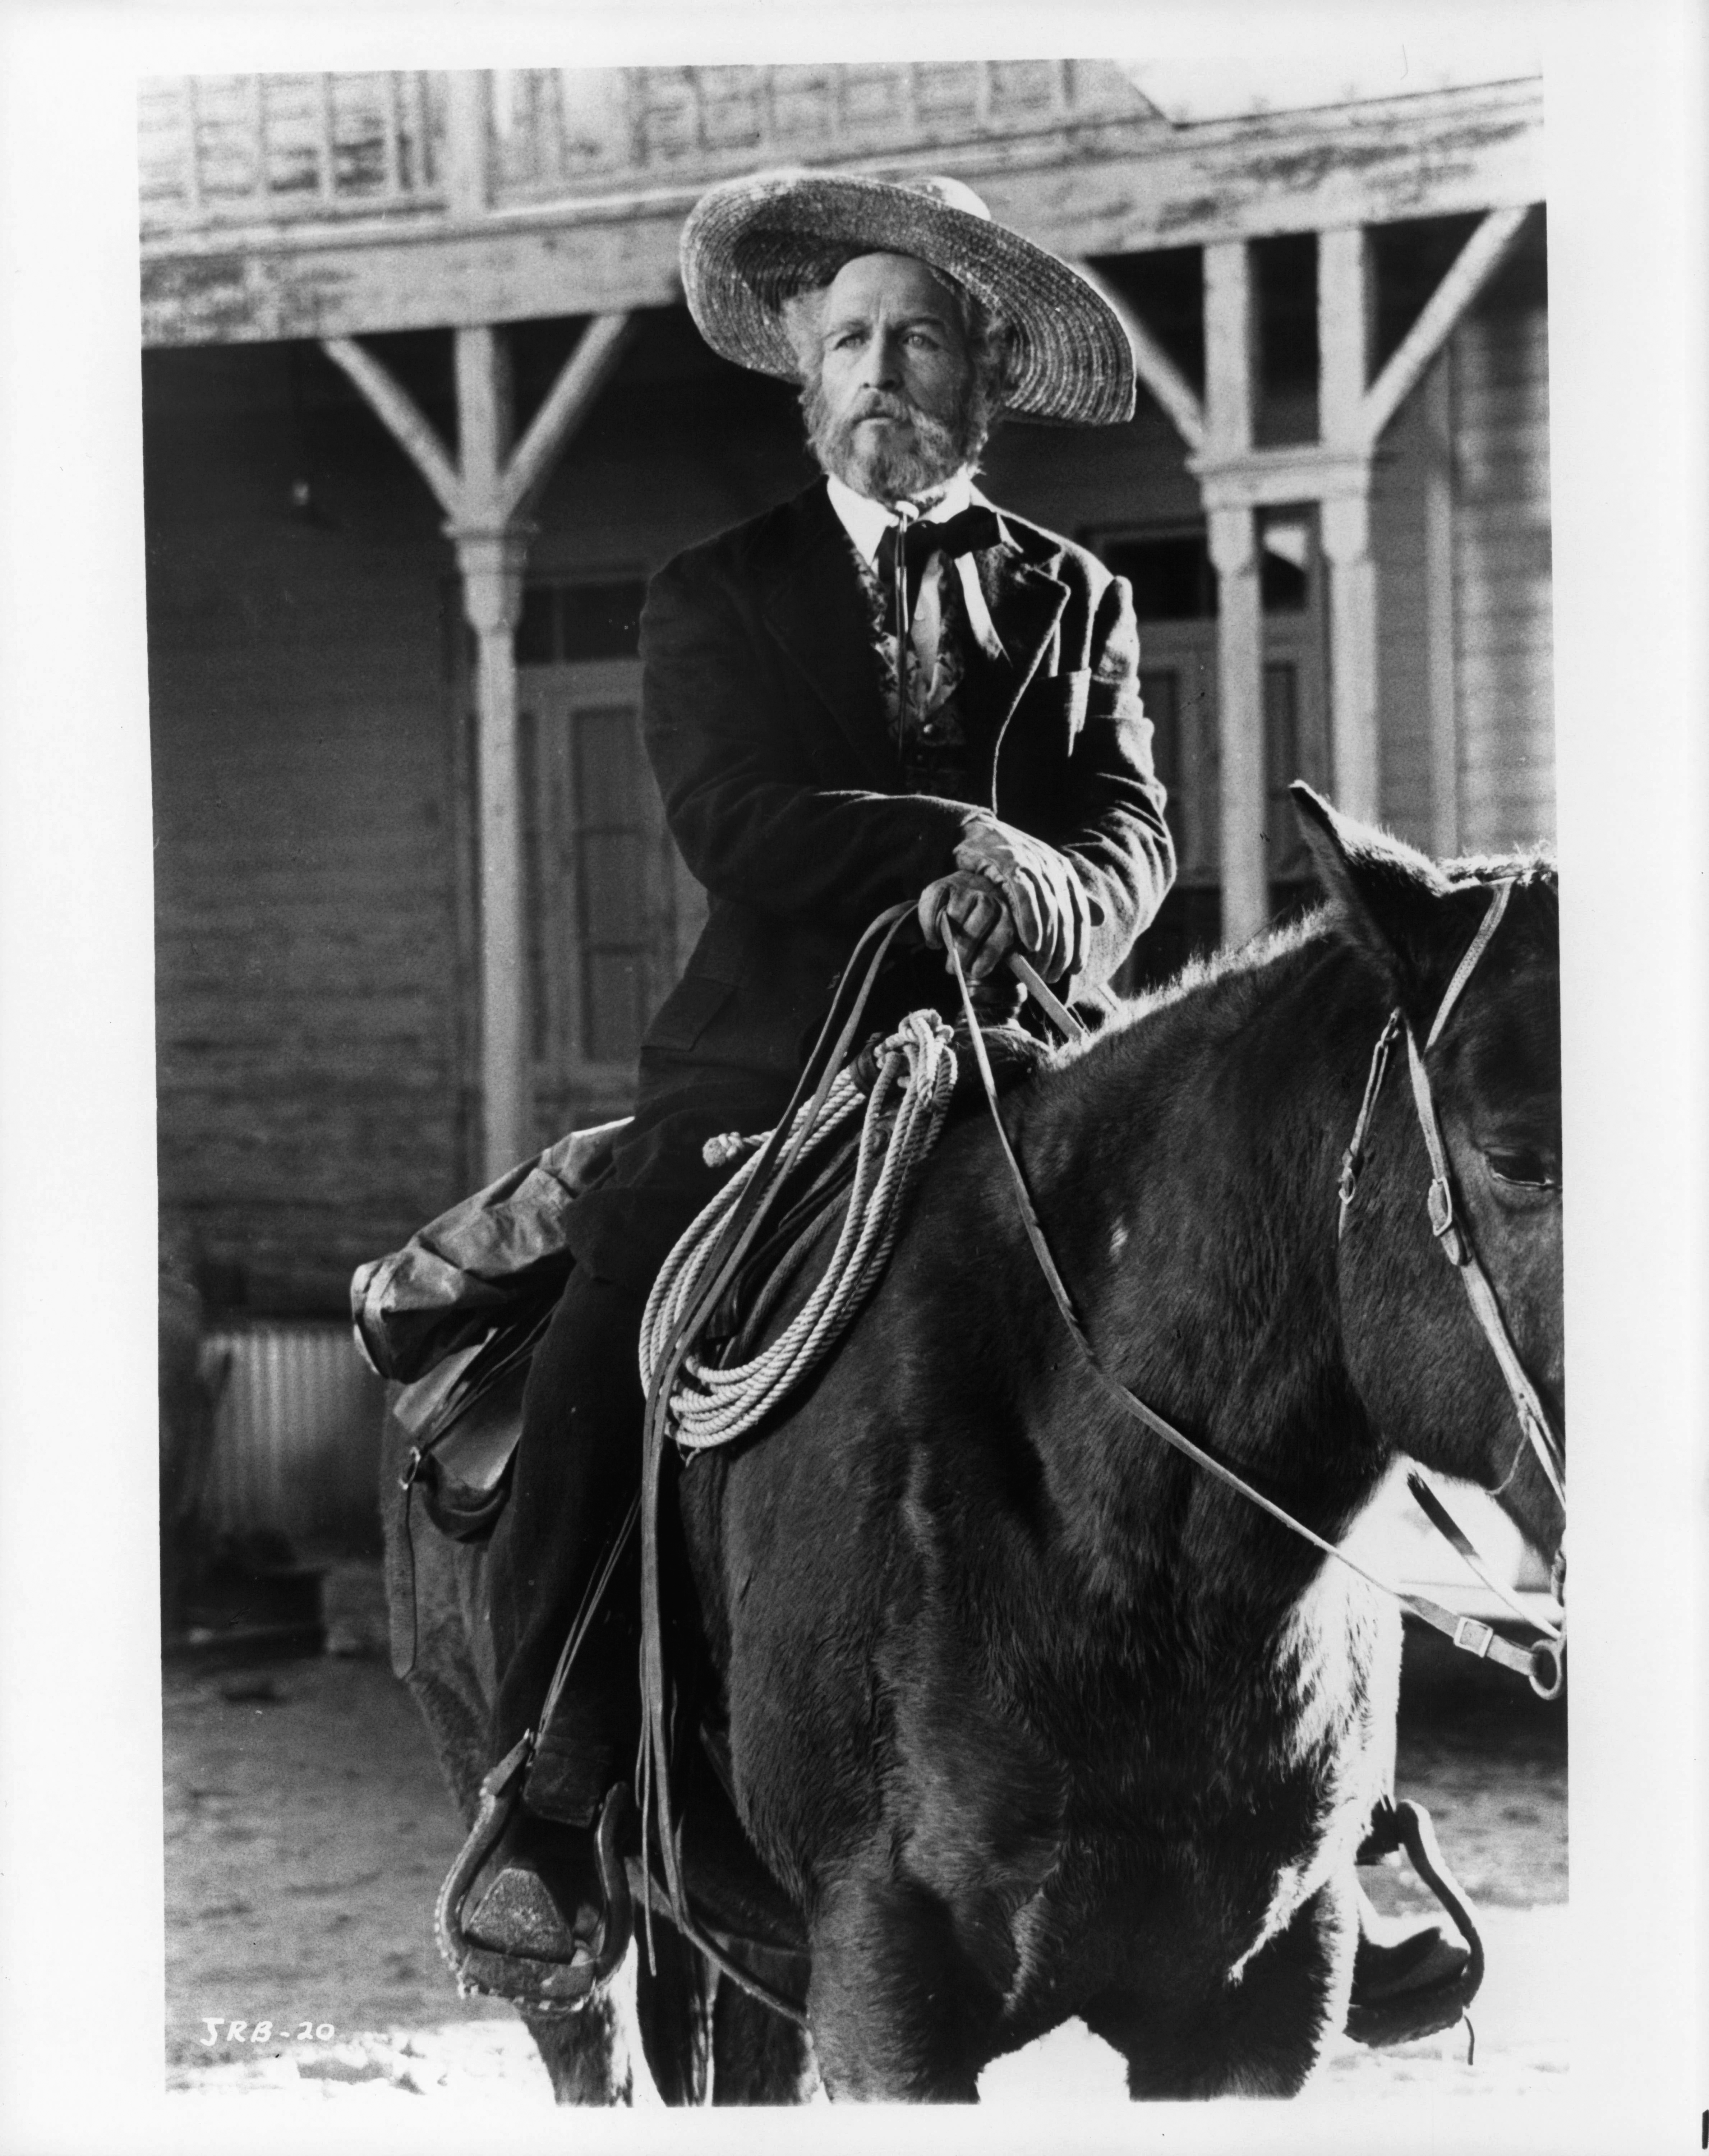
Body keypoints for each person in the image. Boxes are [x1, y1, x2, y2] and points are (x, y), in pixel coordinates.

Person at [457, 167, 1466, 2040]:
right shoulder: (715, 594)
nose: (880, 367)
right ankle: (559, 1782)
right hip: (765, 1073)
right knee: (607, 1318)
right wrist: (948, 840)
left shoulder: (1067, 594)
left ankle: (1358, 1808)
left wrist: (1056, 889)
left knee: (1284, 1298)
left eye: (919, 335)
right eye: (847, 337)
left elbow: (1133, 836)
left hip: (1027, 1068)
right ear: (803, 375)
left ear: (982, 373)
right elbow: (723, 817)